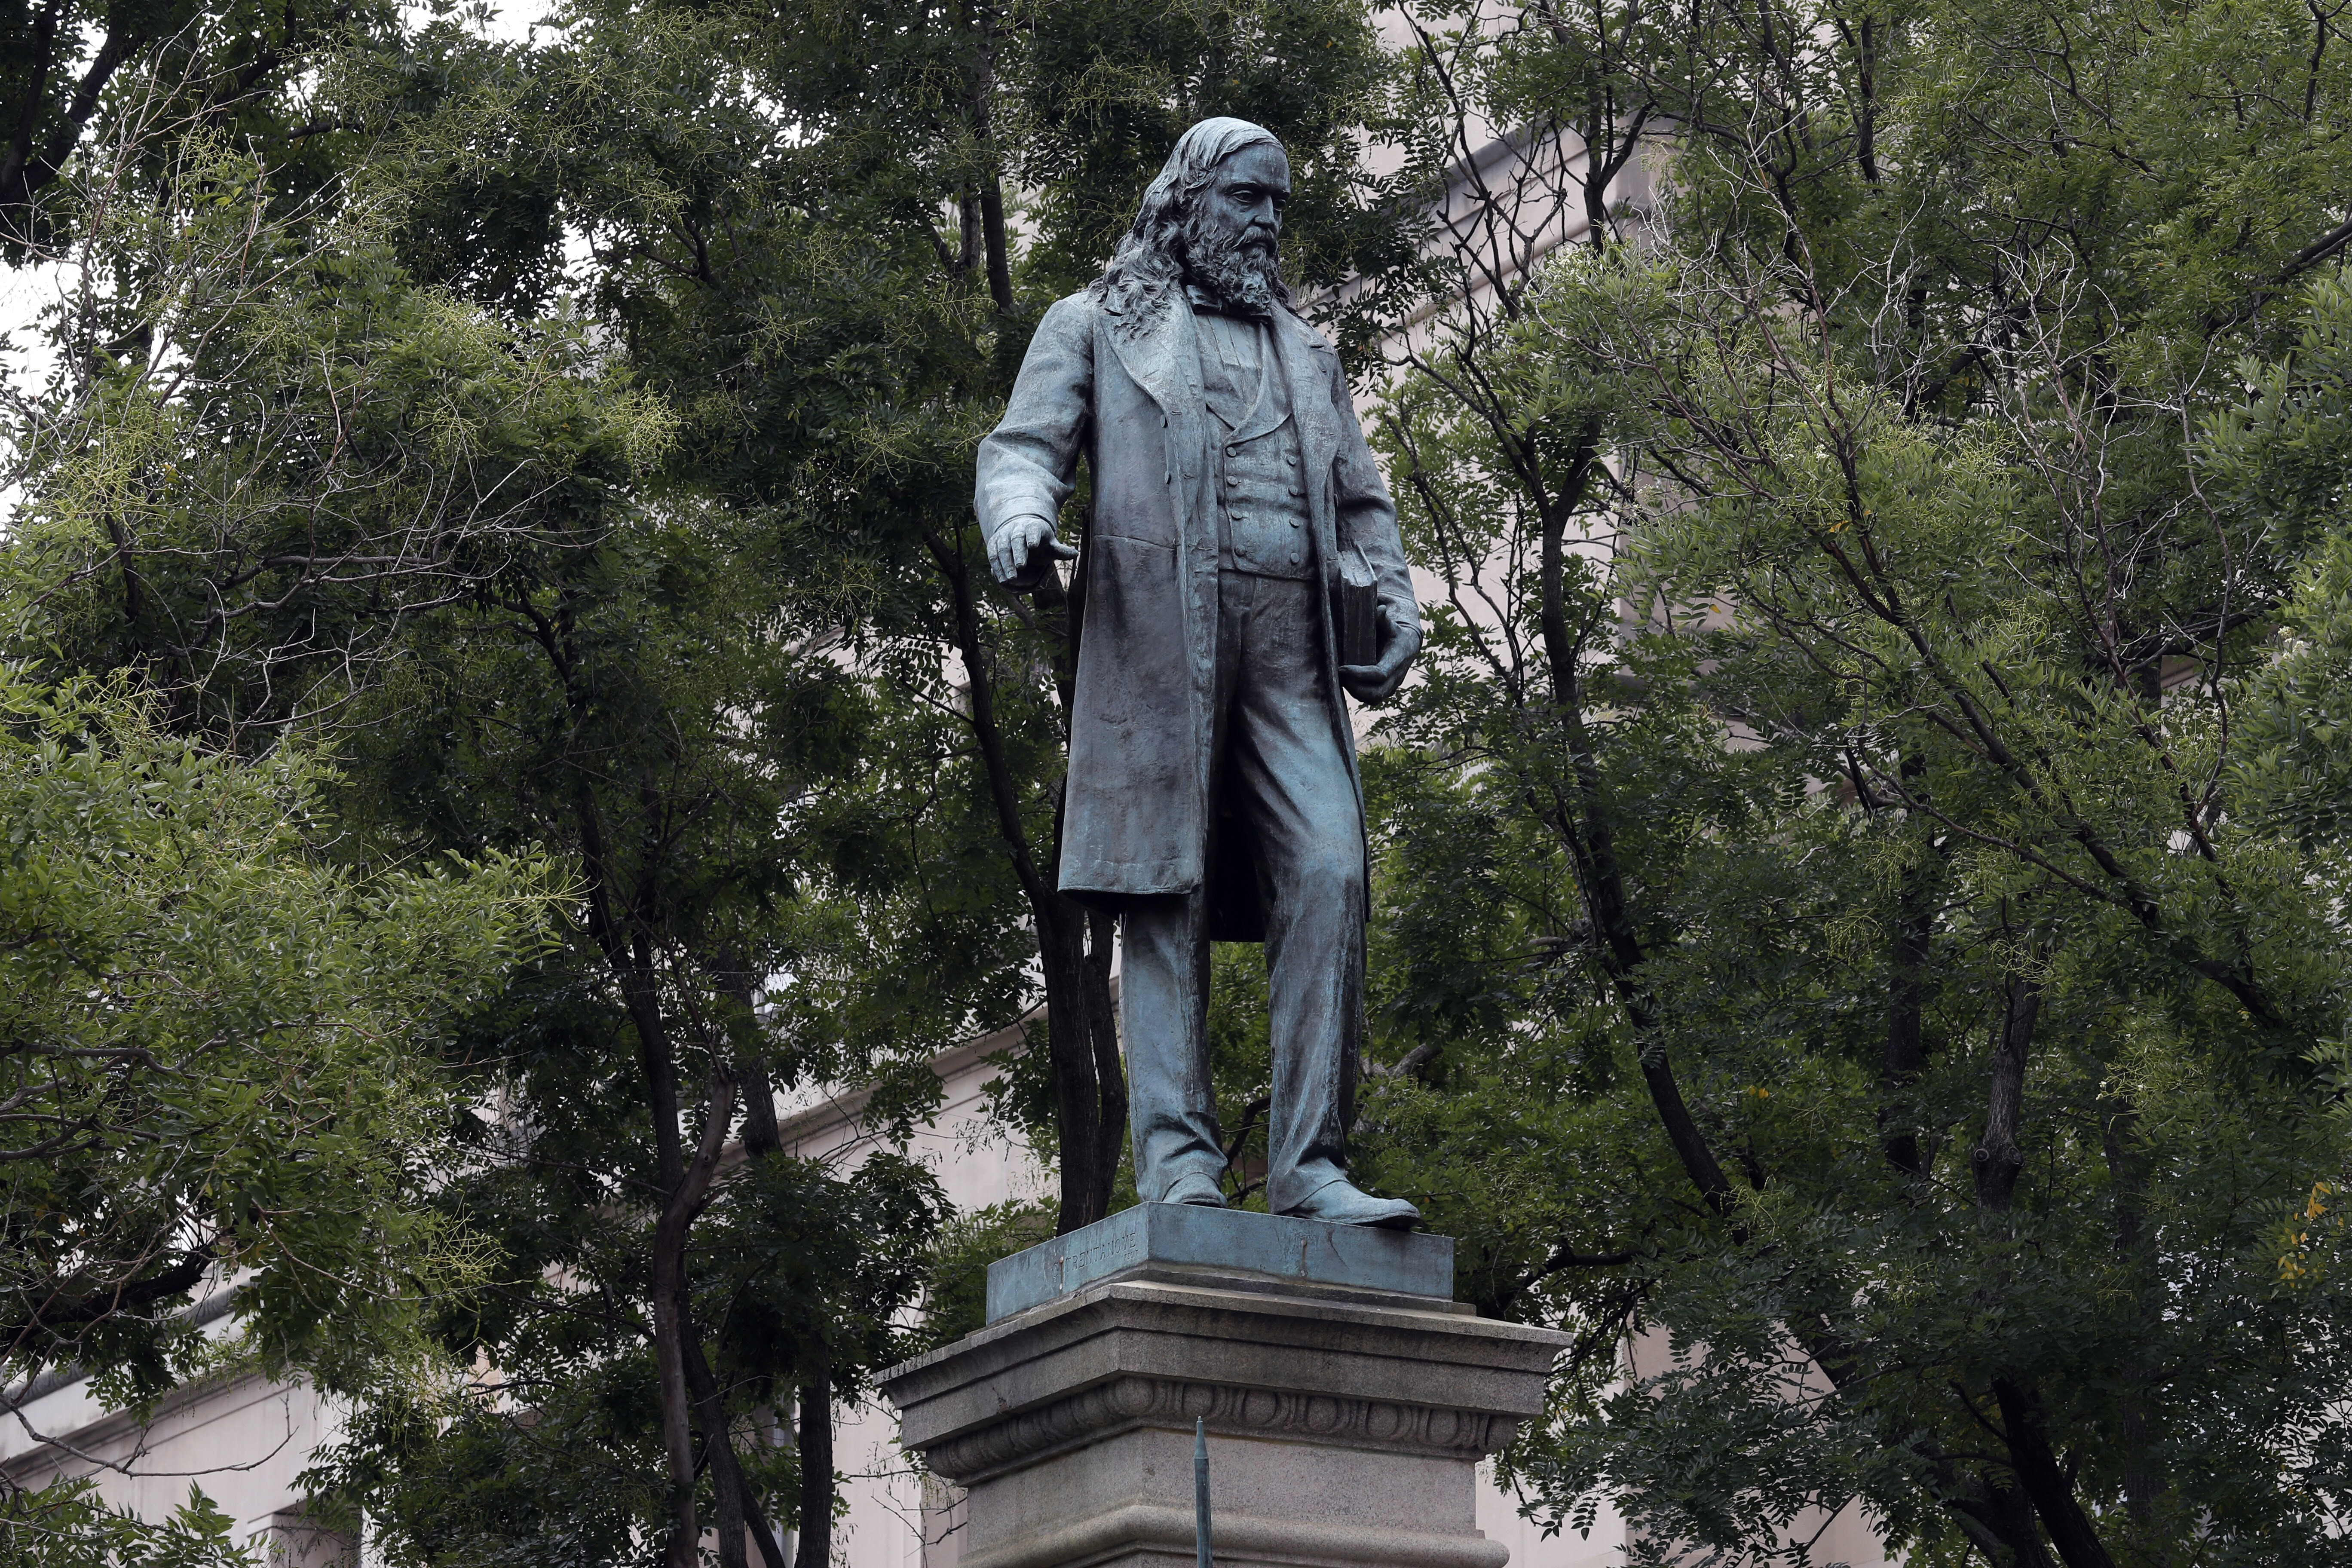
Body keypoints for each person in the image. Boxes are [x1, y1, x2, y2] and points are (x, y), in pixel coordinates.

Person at [975, 117, 1421, 1228]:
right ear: (1187, 203)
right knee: (1162, 891)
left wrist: (1394, 602)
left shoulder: (1306, 354)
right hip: (1159, 641)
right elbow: (1022, 450)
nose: (1267, 222)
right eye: (1246, 199)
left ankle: (1311, 1166)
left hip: (1291, 650)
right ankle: (1178, 1165)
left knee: (1331, 871)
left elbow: (1361, 501)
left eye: (1278, 204)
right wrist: (1021, 521)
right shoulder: (1096, 324)